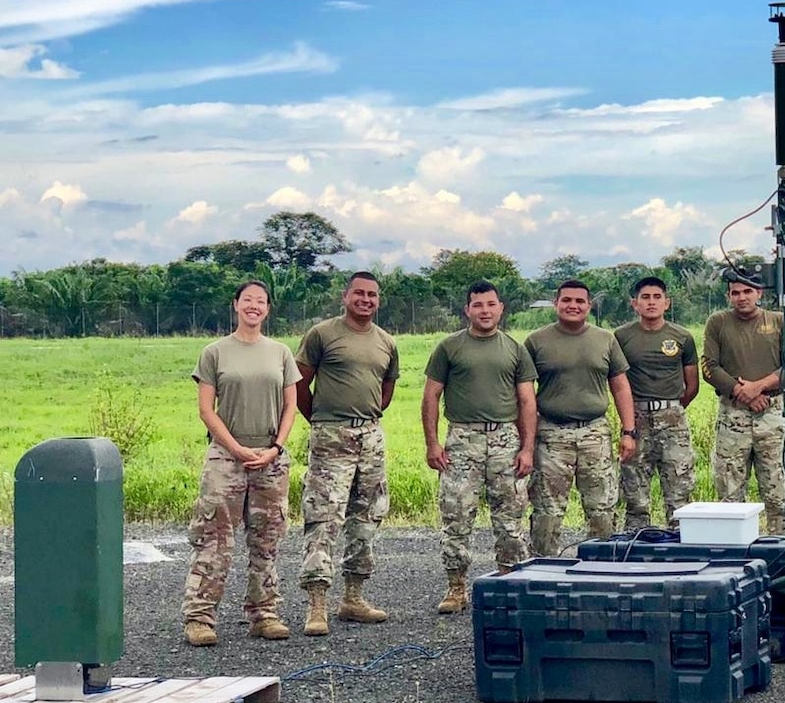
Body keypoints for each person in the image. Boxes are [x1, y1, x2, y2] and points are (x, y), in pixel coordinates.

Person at [181, 280, 300, 647]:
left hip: (269, 457)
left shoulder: (280, 352)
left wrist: (276, 448)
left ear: (267, 309)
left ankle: (264, 613)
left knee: (267, 539)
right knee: (214, 538)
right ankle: (199, 618)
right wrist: (234, 447)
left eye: (260, 301)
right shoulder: (215, 352)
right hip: (225, 457)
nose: (254, 306)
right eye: (247, 300)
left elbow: (290, 406)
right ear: (235, 305)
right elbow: (206, 409)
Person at [421, 281, 538, 614]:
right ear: (467, 310)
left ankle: (508, 583)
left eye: (491, 304)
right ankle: (456, 589)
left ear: (501, 308)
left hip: (504, 440)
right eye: (478, 305)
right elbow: (431, 396)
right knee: (456, 517)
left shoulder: (515, 350)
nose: (485, 311)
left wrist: (527, 448)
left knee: (511, 519)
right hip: (462, 439)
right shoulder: (449, 347)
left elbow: (527, 401)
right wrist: (432, 443)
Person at [296, 271, 400, 636]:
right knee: (323, 517)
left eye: (372, 295)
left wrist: (366, 418)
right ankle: (317, 604)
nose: (366, 300)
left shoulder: (386, 341)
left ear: (378, 300)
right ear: (345, 296)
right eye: (359, 293)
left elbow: (385, 390)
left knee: (368, 516)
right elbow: (298, 383)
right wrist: (322, 420)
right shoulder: (322, 334)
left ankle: (353, 598)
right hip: (330, 435)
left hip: (370, 436)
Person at [525, 279, 637, 557]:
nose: (573, 306)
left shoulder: (605, 339)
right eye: (567, 300)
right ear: (556, 304)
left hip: (594, 433)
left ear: (589, 305)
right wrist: (526, 441)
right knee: (547, 511)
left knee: (602, 508)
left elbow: (621, 386)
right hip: (551, 434)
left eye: (579, 301)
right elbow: (523, 394)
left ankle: (600, 568)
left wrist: (628, 431)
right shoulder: (536, 341)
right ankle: (544, 570)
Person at [701, 271, 785, 535]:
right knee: (729, 488)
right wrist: (741, 391)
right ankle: (734, 549)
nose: (742, 297)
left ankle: (780, 547)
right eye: (735, 293)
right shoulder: (717, 322)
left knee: (776, 489)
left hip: (771, 413)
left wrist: (758, 387)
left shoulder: (779, 321)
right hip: (733, 413)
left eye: (747, 291)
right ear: (728, 295)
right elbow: (709, 367)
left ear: (759, 293)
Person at [614, 276, 699, 532]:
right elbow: (617, 381)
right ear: (634, 304)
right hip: (636, 418)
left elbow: (692, 385)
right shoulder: (621, 337)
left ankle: (680, 546)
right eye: (645, 298)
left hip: (672, 417)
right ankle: (637, 545)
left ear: (667, 302)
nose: (651, 302)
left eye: (657, 297)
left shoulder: (682, 337)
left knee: (679, 486)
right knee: (634, 489)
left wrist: (671, 409)